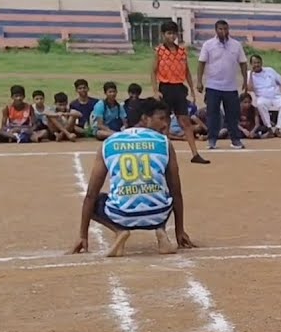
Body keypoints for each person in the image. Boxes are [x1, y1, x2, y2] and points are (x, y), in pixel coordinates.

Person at [69, 98, 196, 258]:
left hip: (122, 215)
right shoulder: (164, 143)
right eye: (161, 118)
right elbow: (176, 191)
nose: (166, 124)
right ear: (145, 118)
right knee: (164, 192)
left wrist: (83, 235)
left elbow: (90, 195)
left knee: (95, 200)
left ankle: (120, 230)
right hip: (159, 214)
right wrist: (179, 231)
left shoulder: (109, 143)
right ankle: (161, 232)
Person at [152, 21, 209, 163]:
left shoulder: (182, 51)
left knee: (185, 121)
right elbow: (153, 71)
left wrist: (191, 88)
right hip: (165, 87)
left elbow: (187, 71)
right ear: (163, 35)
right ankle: (163, 154)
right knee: (165, 122)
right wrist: (155, 90)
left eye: (174, 33)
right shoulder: (159, 51)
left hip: (179, 88)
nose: (172, 36)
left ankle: (195, 154)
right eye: (168, 33)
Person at [196, 19, 248, 150]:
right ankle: (212, 140)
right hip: (213, 85)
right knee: (213, 114)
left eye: (225, 29)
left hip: (230, 87)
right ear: (216, 30)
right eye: (220, 29)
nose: (223, 32)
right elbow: (201, 63)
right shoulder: (208, 45)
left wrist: (245, 81)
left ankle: (235, 139)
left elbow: (243, 63)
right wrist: (199, 81)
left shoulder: (236, 45)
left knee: (233, 115)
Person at [246, 54, 281, 136]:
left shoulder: (270, 70)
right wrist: (251, 75)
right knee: (260, 104)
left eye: (258, 62)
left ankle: (279, 128)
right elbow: (250, 89)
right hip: (262, 97)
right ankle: (268, 128)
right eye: (254, 63)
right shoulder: (249, 74)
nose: (256, 65)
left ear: (261, 63)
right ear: (251, 64)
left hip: (276, 96)